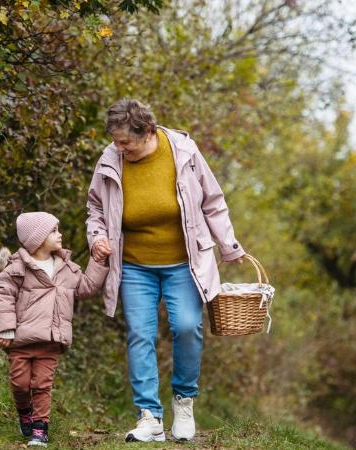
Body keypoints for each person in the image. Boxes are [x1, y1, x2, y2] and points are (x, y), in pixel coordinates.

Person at [86, 99, 245, 442]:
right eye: (115, 141)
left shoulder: (182, 151)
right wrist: (97, 237)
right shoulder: (110, 159)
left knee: (188, 326)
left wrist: (229, 246)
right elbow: (95, 208)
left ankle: (184, 404)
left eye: (125, 141)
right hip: (134, 266)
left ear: (147, 133)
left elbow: (212, 201)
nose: (119, 147)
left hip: (183, 263)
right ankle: (149, 417)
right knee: (140, 335)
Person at [0, 212, 109, 447]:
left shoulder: (66, 268)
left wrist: (98, 261)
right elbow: (2, 295)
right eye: (54, 231)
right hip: (21, 340)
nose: (60, 234)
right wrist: (5, 328)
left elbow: (85, 287)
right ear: (38, 238)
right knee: (20, 384)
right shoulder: (18, 268)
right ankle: (24, 411)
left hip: (51, 340)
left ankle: (40, 429)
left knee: (42, 385)